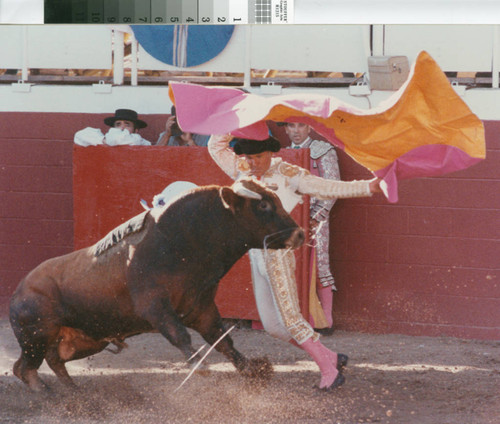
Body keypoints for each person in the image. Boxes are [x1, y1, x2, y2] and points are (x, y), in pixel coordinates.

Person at [208, 133, 382, 391]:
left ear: (270, 153)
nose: (252, 162)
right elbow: (215, 145)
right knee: (273, 326)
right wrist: (238, 121)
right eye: (248, 157)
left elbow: (326, 187)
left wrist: (368, 187)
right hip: (256, 254)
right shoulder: (241, 168)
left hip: (278, 253)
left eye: (257, 157)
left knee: (291, 319)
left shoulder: (288, 173)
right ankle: (331, 357)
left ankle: (329, 370)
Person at [285, 122, 340, 335]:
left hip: (317, 219)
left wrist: (315, 218)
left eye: (301, 126)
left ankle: (325, 319)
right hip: (289, 221)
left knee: (319, 265)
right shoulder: (284, 155)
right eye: (291, 126)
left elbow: (332, 188)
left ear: (309, 128)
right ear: (286, 129)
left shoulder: (322, 151)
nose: (296, 131)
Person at [74, 109, 152, 146]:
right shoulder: (106, 138)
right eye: (118, 124)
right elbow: (79, 135)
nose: (122, 127)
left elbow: (118, 139)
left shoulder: (138, 139)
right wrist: (103, 140)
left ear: (136, 130)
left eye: (127, 124)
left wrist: (104, 142)